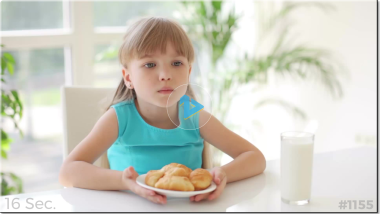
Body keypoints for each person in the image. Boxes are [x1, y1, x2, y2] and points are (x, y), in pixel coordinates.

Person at [59, 16, 266, 205]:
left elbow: (255, 158)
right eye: (150, 64)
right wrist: (124, 181)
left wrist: (221, 174)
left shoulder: (193, 114)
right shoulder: (118, 117)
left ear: (188, 72)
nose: (166, 74)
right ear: (128, 77)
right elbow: (68, 172)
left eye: (177, 63)